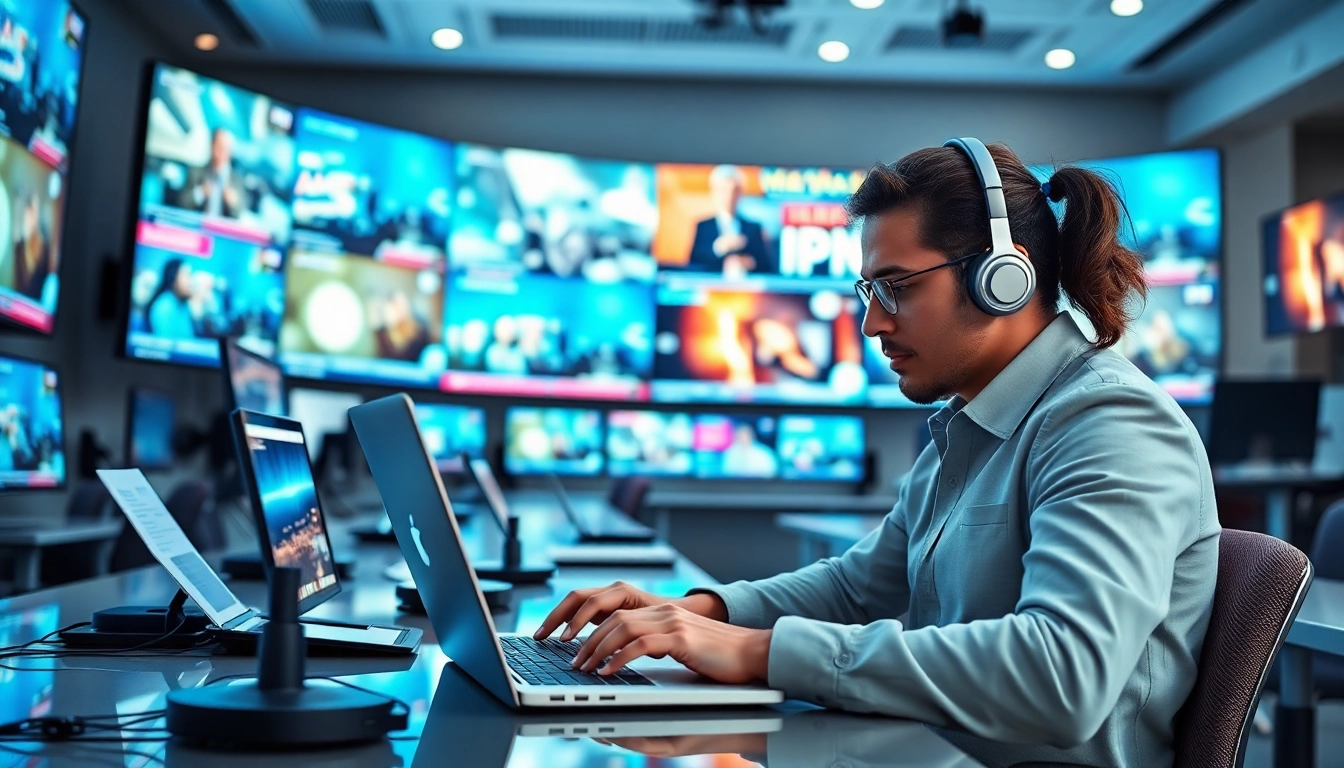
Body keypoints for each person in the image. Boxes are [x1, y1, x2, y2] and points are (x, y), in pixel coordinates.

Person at [534, 140, 1219, 767]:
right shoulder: (969, 426)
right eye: (870, 291)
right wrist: (694, 613)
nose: (873, 323)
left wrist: (757, 651)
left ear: (1003, 276)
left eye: (899, 287)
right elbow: (856, 589)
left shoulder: (1111, 422)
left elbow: (1061, 676)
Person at [687, 165, 775, 277]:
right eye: (723, 190)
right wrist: (718, 248)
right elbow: (693, 264)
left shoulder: (753, 228)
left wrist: (750, 263)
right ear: (715, 192)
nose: (729, 196)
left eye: (734, 190)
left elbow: (767, 267)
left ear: (740, 193)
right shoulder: (703, 227)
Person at [178, 127, 247, 218]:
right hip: (198, 227)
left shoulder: (237, 179)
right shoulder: (196, 172)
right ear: (211, 146)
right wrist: (200, 193)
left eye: (226, 148)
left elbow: (240, 213)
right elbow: (182, 202)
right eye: (219, 146)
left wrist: (232, 202)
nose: (222, 152)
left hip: (223, 229)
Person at [12, 191, 52, 302]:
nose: (31, 217)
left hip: (36, 306)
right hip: (18, 305)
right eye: (29, 212)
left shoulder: (44, 248)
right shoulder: (18, 247)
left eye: (34, 212)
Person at [145, 258, 198, 339]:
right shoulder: (164, 307)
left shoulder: (183, 304)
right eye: (187, 275)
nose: (190, 281)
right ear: (173, 277)